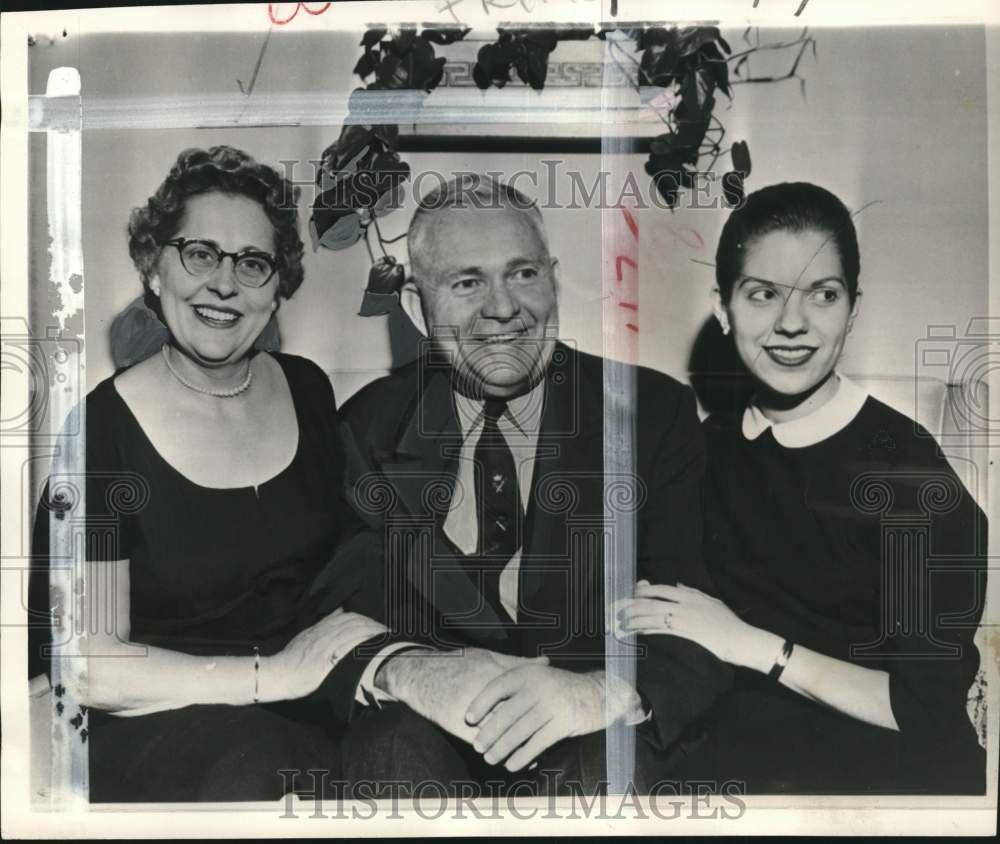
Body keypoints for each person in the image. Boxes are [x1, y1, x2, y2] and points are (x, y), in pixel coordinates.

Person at [317, 174, 733, 795]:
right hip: (429, 733)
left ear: (553, 277)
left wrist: (599, 692)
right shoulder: (364, 427)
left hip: (587, 728)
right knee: (389, 752)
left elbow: (697, 614)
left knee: (605, 765)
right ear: (414, 305)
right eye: (466, 282)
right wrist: (406, 672)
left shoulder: (652, 415)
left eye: (523, 274)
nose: (503, 308)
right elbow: (333, 606)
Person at [29, 145, 385, 802]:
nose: (224, 284)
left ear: (277, 287)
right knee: (270, 766)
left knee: (406, 752)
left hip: (308, 700)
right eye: (200, 254)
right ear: (154, 266)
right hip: (161, 721)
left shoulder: (306, 389)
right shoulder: (104, 435)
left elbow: (350, 564)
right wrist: (267, 676)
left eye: (252, 263)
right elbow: (91, 660)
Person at [617, 182, 987, 793]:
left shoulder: (912, 476)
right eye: (763, 294)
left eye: (823, 295)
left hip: (890, 780)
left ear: (853, 307)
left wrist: (750, 644)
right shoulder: (701, 451)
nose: (793, 324)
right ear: (723, 306)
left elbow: (923, 710)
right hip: (733, 769)